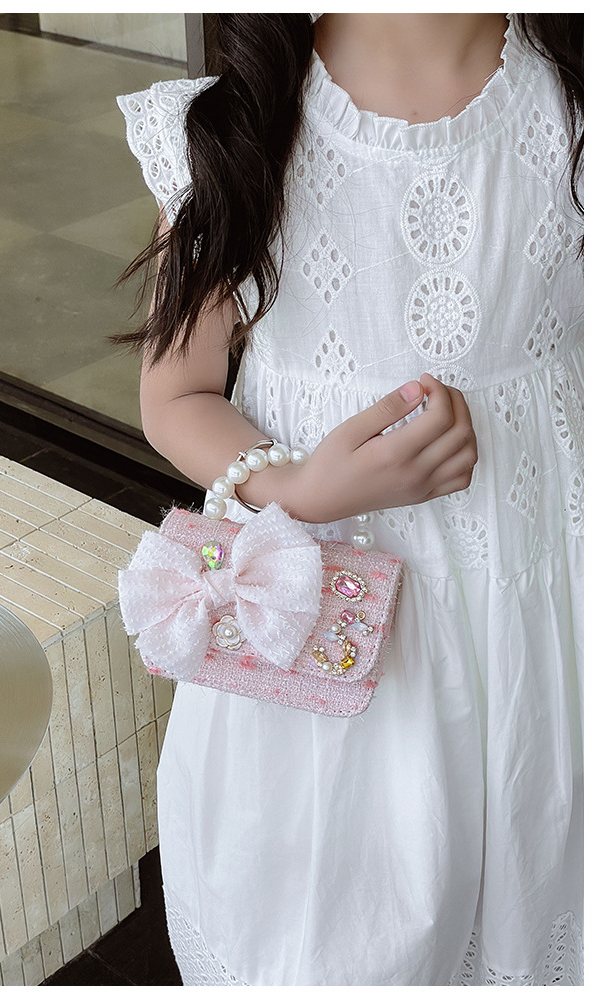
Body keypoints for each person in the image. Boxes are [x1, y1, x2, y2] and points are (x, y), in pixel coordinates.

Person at [116, 13, 583, 986]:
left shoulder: (569, 105)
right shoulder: (235, 129)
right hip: (327, 632)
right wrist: (295, 483)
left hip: (539, 603)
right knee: (328, 924)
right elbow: (175, 393)